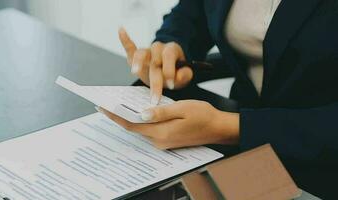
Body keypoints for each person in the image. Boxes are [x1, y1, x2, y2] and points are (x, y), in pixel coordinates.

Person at [100, 0, 338, 198]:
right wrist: (174, 46)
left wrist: (229, 127)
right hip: (246, 160)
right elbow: (193, 11)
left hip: (320, 165)